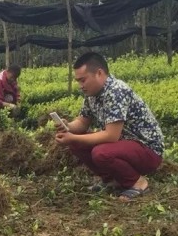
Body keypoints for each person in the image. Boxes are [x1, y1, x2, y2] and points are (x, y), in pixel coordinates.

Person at [54, 52, 164, 202]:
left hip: (147, 150)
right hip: (123, 146)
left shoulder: (116, 91)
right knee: (77, 144)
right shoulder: (92, 94)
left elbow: (111, 136)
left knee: (101, 152)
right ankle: (112, 180)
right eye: (78, 81)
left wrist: (74, 137)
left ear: (99, 73)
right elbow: (82, 122)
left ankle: (137, 182)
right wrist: (68, 126)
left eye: (83, 80)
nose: (80, 86)